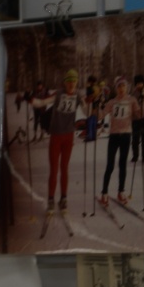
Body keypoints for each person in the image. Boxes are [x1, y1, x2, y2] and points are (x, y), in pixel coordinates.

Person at [31, 69, 84, 211]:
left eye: (74, 81)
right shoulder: (59, 94)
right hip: (56, 136)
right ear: (65, 83)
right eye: (69, 81)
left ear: (77, 82)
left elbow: (87, 112)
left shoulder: (78, 96)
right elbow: (41, 102)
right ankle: (50, 199)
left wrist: (92, 102)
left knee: (64, 168)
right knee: (54, 169)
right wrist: (30, 99)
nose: (71, 84)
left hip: (68, 137)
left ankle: (64, 198)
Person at [99, 76, 143, 206]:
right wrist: (97, 105)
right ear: (116, 88)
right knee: (110, 165)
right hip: (114, 136)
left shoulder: (131, 100)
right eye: (119, 86)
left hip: (126, 135)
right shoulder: (112, 102)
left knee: (122, 164)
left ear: (127, 87)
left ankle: (121, 191)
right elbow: (100, 115)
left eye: (123, 86)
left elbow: (140, 115)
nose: (121, 89)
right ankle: (104, 192)